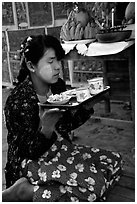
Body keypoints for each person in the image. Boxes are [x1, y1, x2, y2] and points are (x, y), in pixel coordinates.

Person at [3, 34, 122, 202]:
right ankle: (22, 191)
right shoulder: (19, 100)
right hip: (30, 162)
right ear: (31, 66)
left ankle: (43, 190)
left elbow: (66, 124)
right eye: (51, 61)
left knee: (115, 161)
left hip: (59, 150)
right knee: (93, 190)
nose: (58, 66)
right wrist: (46, 129)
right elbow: (25, 152)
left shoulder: (57, 86)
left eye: (59, 60)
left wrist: (86, 107)